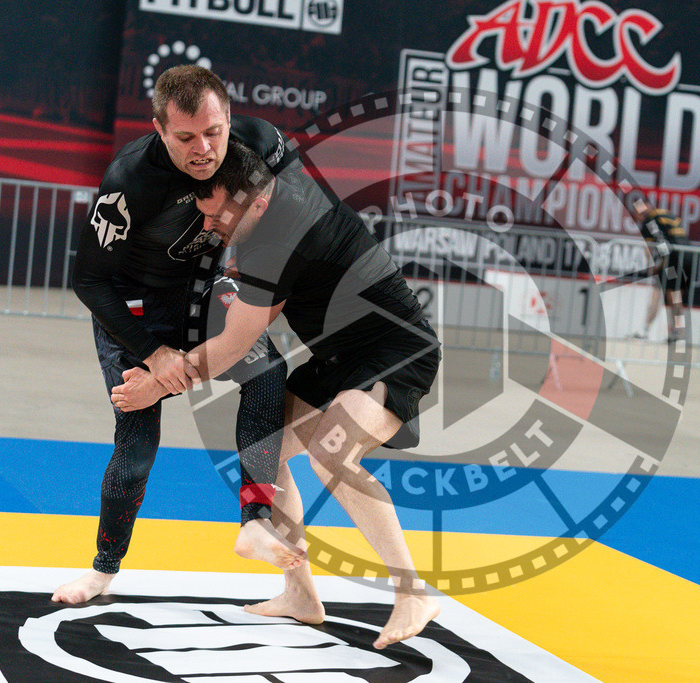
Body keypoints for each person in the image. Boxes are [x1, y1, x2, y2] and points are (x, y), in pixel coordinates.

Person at [111, 140, 442, 649]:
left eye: (217, 215)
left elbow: (231, 347)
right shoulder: (265, 201)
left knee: (333, 452)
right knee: (265, 449)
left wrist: (156, 383)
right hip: (336, 356)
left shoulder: (280, 242)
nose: (208, 227)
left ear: (257, 203)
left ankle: (412, 591)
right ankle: (301, 595)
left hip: (395, 349)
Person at [53, 66, 300, 605]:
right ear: (160, 130)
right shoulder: (129, 180)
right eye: (185, 137)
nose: (204, 149)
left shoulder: (263, 144)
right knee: (139, 442)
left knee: (268, 371)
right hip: (135, 309)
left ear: (230, 119)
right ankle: (102, 570)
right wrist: (154, 353)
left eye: (214, 132)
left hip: (205, 290)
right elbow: (88, 280)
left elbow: (294, 209)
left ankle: (255, 518)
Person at [627, 194, 691, 342]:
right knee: (675, 296)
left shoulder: (648, 221)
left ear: (639, 212)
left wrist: (655, 266)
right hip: (687, 255)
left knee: (662, 293)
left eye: (636, 214)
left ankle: (647, 329)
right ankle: (677, 332)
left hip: (672, 259)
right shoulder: (664, 212)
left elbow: (650, 247)